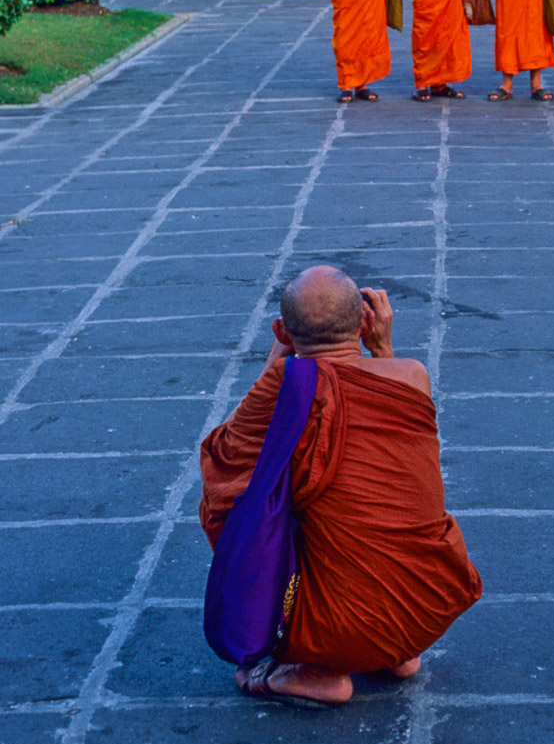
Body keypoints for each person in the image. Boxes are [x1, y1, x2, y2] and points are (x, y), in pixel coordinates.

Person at [200, 266, 482, 707]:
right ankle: (396, 653)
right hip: (429, 605)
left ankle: (316, 673)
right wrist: (383, 346)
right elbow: (385, 410)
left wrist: (276, 360)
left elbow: (225, 457)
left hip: (334, 628)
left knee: (245, 495)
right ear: (366, 324)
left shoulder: (283, 384)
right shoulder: (412, 376)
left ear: (282, 330)